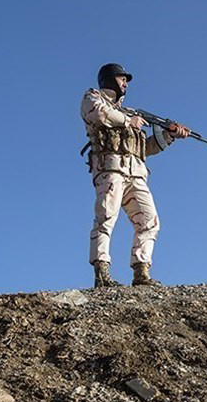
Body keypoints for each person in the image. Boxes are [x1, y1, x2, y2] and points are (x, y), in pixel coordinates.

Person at [80, 63, 190, 288]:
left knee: (149, 220)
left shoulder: (131, 113)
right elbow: (98, 113)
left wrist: (169, 136)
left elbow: (144, 148)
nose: (125, 84)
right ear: (110, 79)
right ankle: (102, 272)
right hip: (110, 169)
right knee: (106, 217)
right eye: (122, 78)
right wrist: (127, 121)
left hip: (136, 174)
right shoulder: (93, 98)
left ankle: (141, 271)